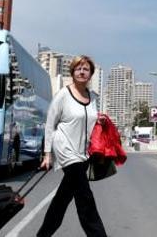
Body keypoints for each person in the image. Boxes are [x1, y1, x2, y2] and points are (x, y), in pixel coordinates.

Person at [37, 55, 107, 237]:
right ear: (73, 72)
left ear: (91, 74)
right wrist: (47, 154)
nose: (82, 72)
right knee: (85, 198)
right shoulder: (63, 95)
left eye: (86, 69)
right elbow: (50, 123)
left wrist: (98, 120)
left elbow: (89, 119)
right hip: (66, 150)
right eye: (78, 69)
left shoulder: (92, 97)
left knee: (62, 200)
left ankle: (43, 234)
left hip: (83, 153)